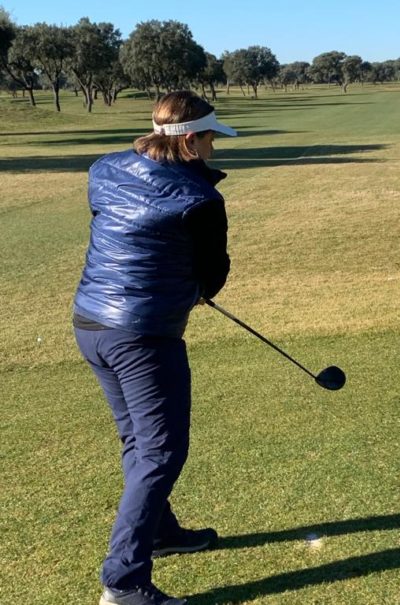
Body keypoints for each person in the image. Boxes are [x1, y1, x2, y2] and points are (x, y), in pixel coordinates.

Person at [73, 90, 237, 605]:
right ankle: (123, 583)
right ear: (190, 140)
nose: (215, 147)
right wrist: (191, 289)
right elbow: (213, 277)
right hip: (141, 336)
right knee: (162, 450)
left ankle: (161, 532)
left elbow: (118, 229)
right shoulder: (201, 199)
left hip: (90, 322)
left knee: (139, 443)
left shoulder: (104, 169)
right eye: (210, 138)